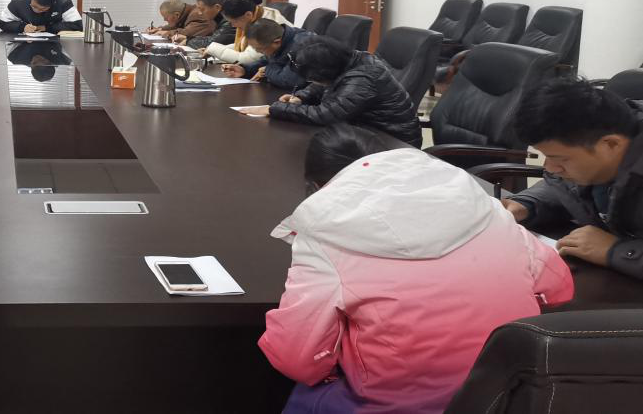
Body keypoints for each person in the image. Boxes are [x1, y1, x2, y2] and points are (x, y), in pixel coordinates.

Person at [260, 125, 573, 413]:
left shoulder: (327, 235)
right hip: (505, 395)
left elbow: (297, 360)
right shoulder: (485, 207)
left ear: (317, 186)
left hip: (395, 405)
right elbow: (559, 288)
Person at [504, 77, 643, 279]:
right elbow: (564, 187)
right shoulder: (599, 143)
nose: (550, 168)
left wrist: (616, 250)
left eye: (560, 159)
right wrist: (526, 205)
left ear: (611, 144)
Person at [254, 36, 423, 147]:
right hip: (362, 130)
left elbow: (327, 115)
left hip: (392, 142)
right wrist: (301, 97)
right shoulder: (346, 60)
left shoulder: (363, 78)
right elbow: (322, 84)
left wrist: (275, 109)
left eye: (313, 78)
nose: (313, 82)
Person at [197, 0, 290, 63]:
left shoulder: (265, 24)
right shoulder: (255, 14)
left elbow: (247, 59)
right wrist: (212, 50)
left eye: (233, 22)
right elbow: (242, 45)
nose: (233, 26)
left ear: (248, 14)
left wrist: (213, 49)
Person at [223, 18, 310, 89]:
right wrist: (245, 70)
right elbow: (266, 60)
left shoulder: (302, 45)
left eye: (260, 49)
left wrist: (267, 70)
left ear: (276, 42)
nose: (257, 51)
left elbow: (290, 81)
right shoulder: (278, 38)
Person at [0, 0, 83, 34]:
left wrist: (46, 28)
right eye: (34, 6)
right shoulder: (17, 4)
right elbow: (3, 23)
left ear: (52, 4)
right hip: (25, 42)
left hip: (55, 43)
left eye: (42, 9)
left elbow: (77, 25)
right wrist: (22, 27)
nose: (37, 10)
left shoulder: (63, 2)